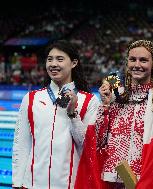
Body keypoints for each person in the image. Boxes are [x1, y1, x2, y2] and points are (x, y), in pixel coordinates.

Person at [75, 39, 153, 189]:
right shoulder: (115, 97)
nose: (137, 65)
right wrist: (105, 105)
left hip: (146, 181)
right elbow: (98, 141)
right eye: (132, 59)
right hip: (111, 180)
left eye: (143, 60)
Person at [12, 40, 100, 188]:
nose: (53, 64)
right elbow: (21, 143)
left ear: (73, 63)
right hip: (33, 184)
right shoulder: (32, 98)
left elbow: (88, 146)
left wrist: (73, 114)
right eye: (49, 59)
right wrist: (17, 182)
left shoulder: (89, 101)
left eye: (60, 59)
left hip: (70, 185)